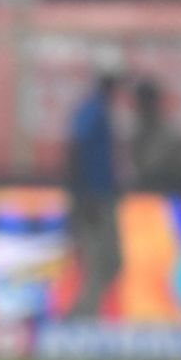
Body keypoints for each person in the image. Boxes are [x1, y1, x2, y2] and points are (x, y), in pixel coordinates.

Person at [65, 68, 122, 319]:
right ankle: (83, 312)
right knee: (100, 258)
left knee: (110, 260)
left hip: (101, 193)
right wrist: (83, 192)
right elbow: (76, 147)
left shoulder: (99, 110)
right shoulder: (93, 110)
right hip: (94, 196)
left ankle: (87, 309)